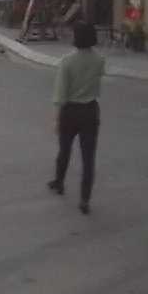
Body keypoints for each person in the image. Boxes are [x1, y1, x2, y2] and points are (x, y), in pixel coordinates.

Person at [48, 22, 105, 214]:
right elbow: (99, 77)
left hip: (70, 111)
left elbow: (61, 93)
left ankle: (59, 182)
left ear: (76, 37)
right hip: (90, 110)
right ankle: (85, 199)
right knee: (88, 157)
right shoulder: (99, 60)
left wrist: (56, 119)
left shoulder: (67, 61)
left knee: (64, 150)